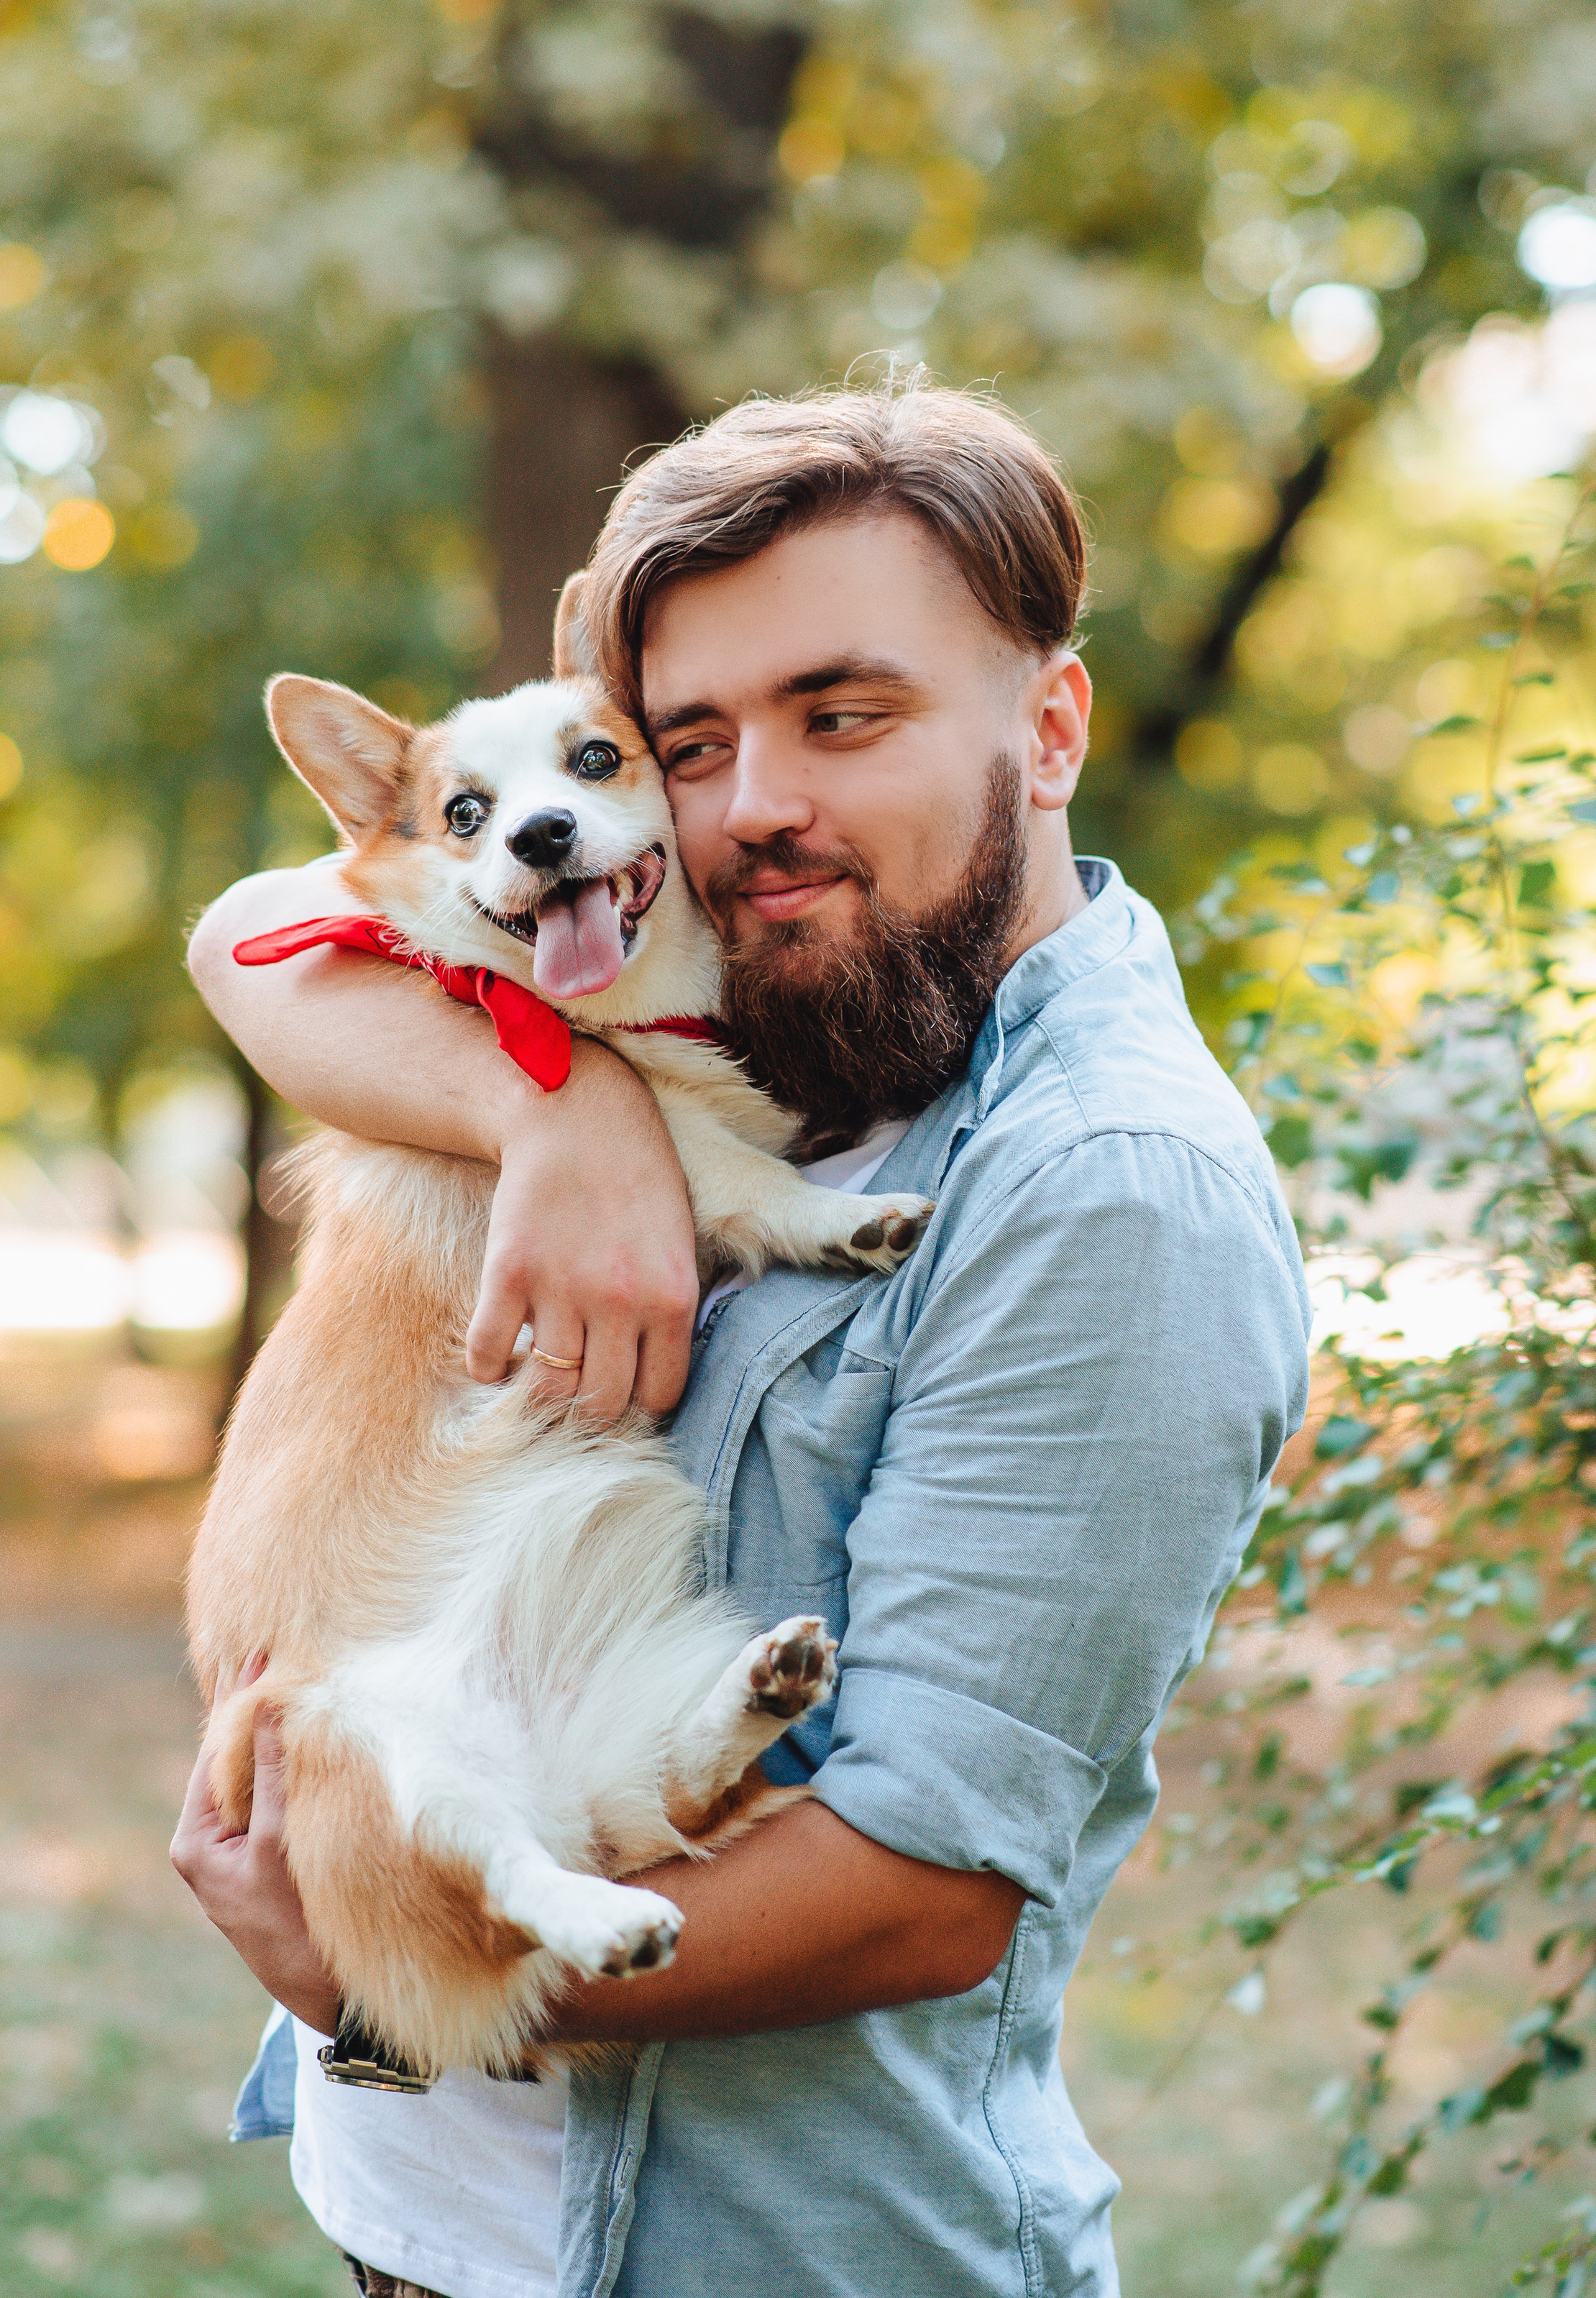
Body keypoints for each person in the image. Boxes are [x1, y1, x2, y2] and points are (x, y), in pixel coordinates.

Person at [174, 378, 1312, 2298]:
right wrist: (558, 1113)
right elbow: (258, 930)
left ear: (1050, 729)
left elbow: (918, 1891)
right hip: (424, 2243)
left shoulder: (1108, 1190)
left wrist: (389, 1976)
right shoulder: (741, 990)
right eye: (690, 742)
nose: (753, 805)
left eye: (843, 716)